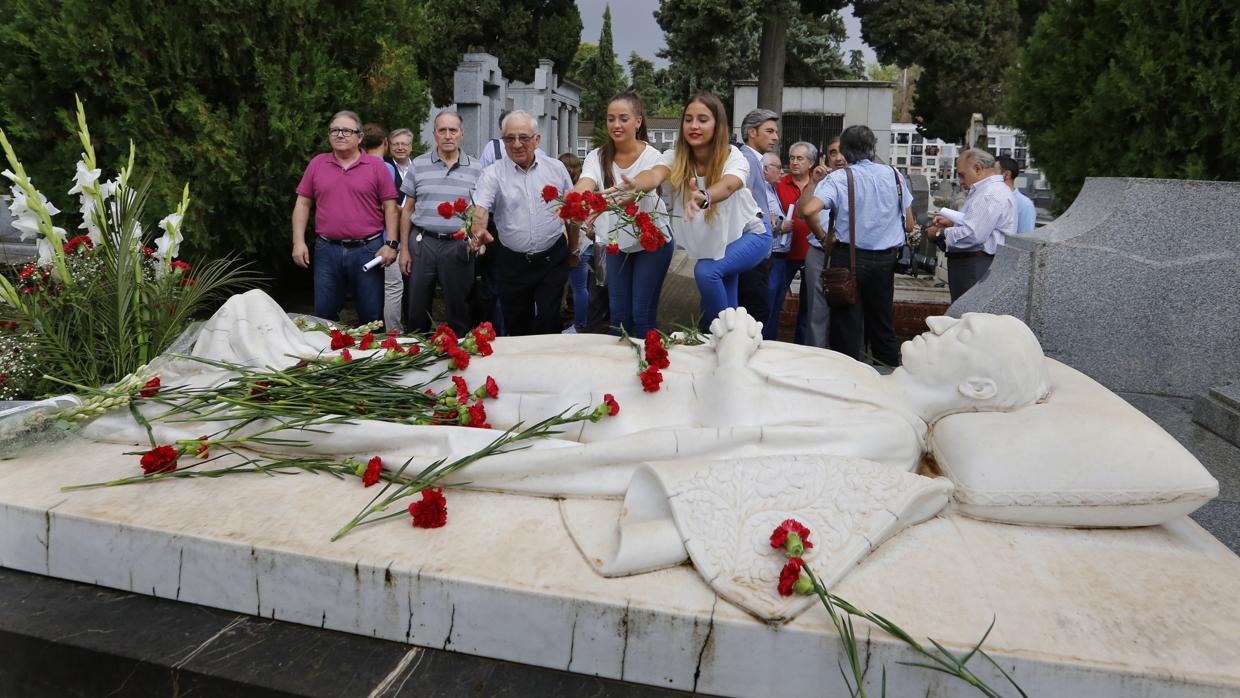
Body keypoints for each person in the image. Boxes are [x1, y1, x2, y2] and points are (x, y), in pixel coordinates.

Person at [616, 93, 770, 332]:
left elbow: (730, 184)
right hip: (721, 242)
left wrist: (705, 196)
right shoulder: (676, 155)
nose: (694, 126)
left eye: (702, 119)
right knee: (727, 309)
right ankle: (729, 346)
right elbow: (656, 173)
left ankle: (730, 340)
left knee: (707, 272)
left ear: (717, 125)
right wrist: (637, 184)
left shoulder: (733, 156)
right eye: (688, 119)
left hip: (751, 234)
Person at [797, 125, 913, 366]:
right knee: (882, 322)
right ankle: (889, 376)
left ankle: (848, 378)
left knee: (846, 325)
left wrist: (822, 237)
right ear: (872, 149)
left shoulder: (840, 177)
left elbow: (807, 210)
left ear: (846, 152)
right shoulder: (894, 174)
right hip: (886, 261)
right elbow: (909, 224)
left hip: (848, 259)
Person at [572, 92, 672, 337]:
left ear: (638, 121)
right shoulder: (598, 156)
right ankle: (620, 371)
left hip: (652, 242)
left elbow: (649, 180)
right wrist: (574, 200)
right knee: (618, 316)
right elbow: (586, 181)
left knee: (641, 314)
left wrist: (630, 189)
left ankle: (645, 367)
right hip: (617, 243)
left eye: (623, 119)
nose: (616, 125)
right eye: (611, 119)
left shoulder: (653, 157)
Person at [469, 111, 574, 336]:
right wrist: (479, 230)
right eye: (510, 138)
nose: (516, 144)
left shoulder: (556, 169)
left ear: (537, 140)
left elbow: (573, 210)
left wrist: (574, 248)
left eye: (524, 138)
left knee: (549, 319)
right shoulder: (492, 173)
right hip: (511, 262)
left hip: (551, 259)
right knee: (517, 326)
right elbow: (480, 207)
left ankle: (549, 367)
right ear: (503, 140)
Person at [291, 110, 399, 325]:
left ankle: (370, 358)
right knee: (324, 317)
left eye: (346, 131)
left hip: (368, 250)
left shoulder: (376, 166)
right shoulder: (317, 164)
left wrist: (391, 244)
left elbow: (390, 207)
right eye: (335, 130)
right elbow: (303, 203)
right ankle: (329, 357)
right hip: (327, 251)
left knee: (371, 318)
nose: (340, 135)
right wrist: (298, 241)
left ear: (360, 137)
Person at [396, 111, 484, 336]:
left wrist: (478, 238)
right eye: (442, 130)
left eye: (453, 130)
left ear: (461, 134)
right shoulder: (419, 165)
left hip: (458, 246)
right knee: (416, 309)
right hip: (423, 244)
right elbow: (406, 210)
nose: (447, 136)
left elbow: (479, 211)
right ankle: (418, 359)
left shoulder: (476, 168)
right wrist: (404, 250)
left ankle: (460, 358)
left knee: (459, 309)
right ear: (434, 134)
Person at [926, 148, 1015, 302]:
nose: (960, 181)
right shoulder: (989, 190)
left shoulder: (990, 194)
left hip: (974, 265)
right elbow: (980, 223)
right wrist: (954, 222)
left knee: (968, 319)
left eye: (962, 175)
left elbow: (973, 234)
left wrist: (940, 233)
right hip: (973, 263)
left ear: (978, 169)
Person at [798, 137, 847, 348]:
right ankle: (815, 357)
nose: (837, 157)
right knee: (816, 312)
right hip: (819, 251)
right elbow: (802, 211)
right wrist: (814, 182)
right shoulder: (822, 180)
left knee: (848, 311)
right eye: (832, 153)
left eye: (841, 152)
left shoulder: (856, 179)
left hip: (848, 252)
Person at [736, 109, 781, 329]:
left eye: (776, 131)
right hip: (752, 251)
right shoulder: (746, 159)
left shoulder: (754, 159)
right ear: (752, 132)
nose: (775, 137)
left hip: (755, 251)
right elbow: (741, 200)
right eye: (770, 131)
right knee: (755, 314)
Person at [770, 141, 816, 343]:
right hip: (783, 255)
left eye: (800, 158)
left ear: (811, 163)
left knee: (808, 307)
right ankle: (768, 343)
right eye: (792, 158)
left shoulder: (819, 185)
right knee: (774, 301)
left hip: (811, 254)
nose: (795, 162)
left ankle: (801, 348)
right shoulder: (778, 184)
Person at [381, 128, 415, 332]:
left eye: (404, 144)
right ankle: (394, 332)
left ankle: (416, 328)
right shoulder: (384, 169)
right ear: (389, 147)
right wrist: (404, 211)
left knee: (414, 285)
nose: (401, 147)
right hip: (391, 236)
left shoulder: (419, 168)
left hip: (415, 235)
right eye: (396, 144)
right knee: (393, 287)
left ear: (411, 147)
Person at [558, 152, 593, 333]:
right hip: (585, 245)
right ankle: (580, 324)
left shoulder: (562, 193)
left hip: (569, 246)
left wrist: (573, 251)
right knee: (580, 288)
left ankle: (570, 324)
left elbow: (574, 224)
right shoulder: (586, 191)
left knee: (559, 288)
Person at [996, 156, 1036, 234]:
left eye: (993, 173)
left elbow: (1024, 239)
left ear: (1006, 174)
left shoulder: (1024, 205)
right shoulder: (989, 197)